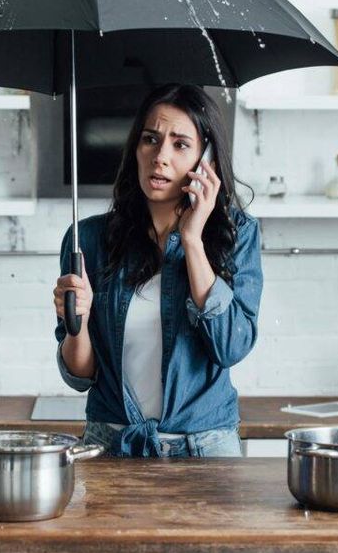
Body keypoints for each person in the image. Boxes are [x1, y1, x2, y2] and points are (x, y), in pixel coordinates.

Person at [52, 83, 262, 458]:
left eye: (180, 144)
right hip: (111, 446)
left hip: (205, 450)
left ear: (206, 160)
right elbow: (80, 376)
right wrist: (78, 323)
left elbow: (231, 345)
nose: (160, 156)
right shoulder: (88, 239)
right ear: (136, 147)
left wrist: (193, 241)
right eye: (151, 139)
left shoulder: (238, 235)